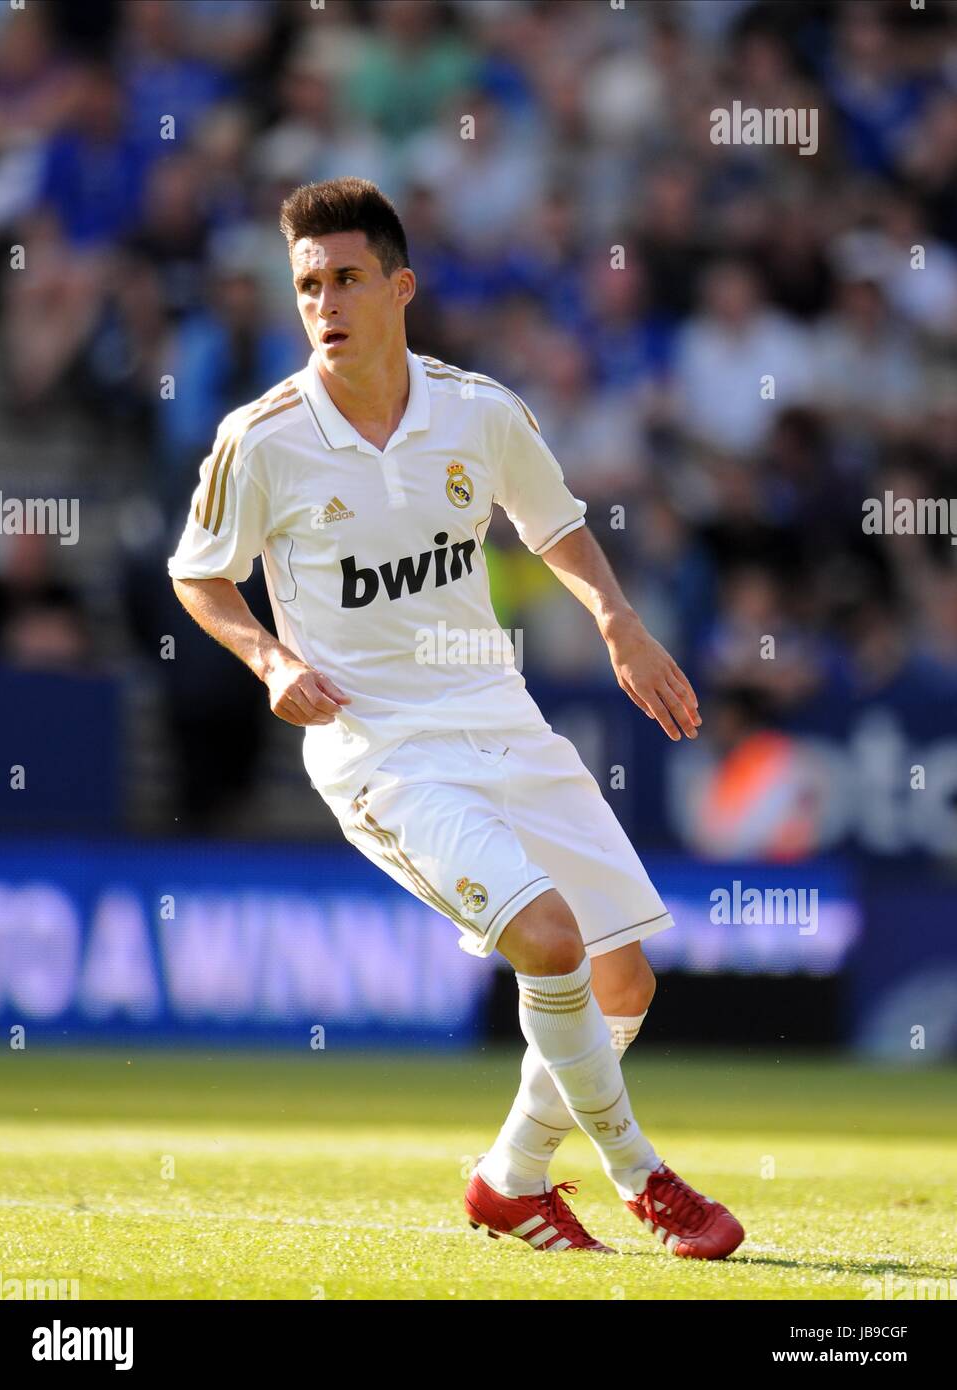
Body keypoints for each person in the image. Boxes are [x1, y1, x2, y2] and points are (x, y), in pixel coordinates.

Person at [168, 176, 743, 1258]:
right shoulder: (264, 439)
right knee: (550, 939)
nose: (325, 303)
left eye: (345, 279)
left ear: (401, 287)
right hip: (381, 747)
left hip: (501, 717)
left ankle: (510, 1180)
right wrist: (266, 655)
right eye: (306, 286)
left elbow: (553, 521)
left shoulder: (478, 411)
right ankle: (644, 1177)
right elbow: (200, 577)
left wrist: (617, 619)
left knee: (625, 980)